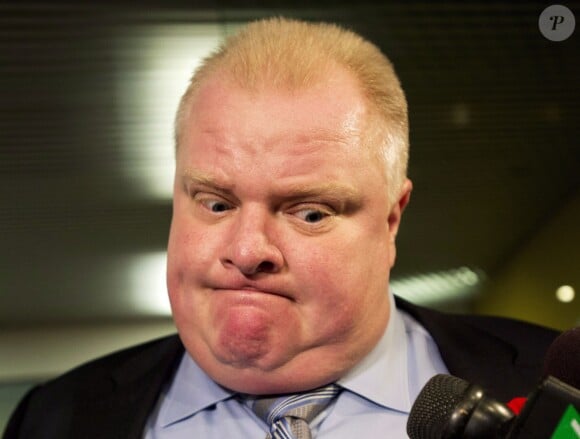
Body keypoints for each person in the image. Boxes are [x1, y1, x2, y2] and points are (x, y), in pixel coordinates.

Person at [3, 17, 558, 439]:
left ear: (392, 219)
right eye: (215, 204)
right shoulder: (53, 417)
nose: (247, 252)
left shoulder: (552, 383)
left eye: (309, 212)